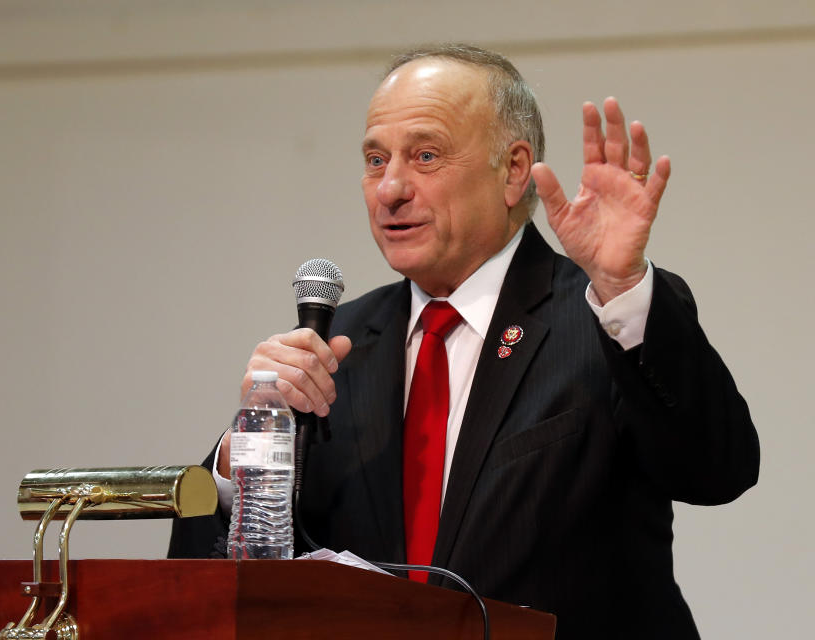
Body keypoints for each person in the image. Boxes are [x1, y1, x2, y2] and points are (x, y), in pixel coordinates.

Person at [168, 44, 759, 639]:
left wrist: (625, 285)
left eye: (426, 156)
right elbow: (210, 578)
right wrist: (247, 447)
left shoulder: (605, 315)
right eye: (376, 160)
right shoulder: (335, 347)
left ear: (513, 170)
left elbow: (719, 471)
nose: (390, 188)